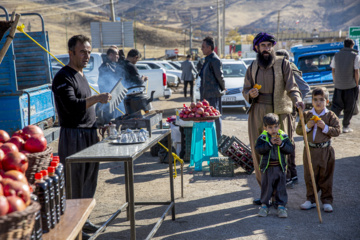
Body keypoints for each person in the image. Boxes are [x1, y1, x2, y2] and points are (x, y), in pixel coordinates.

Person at [52, 35, 111, 240]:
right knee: (75, 182)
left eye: (88, 51)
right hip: (73, 135)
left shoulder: (82, 75)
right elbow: (72, 106)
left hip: (89, 134)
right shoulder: (63, 77)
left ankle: (83, 221)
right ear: (71, 53)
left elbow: (87, 108)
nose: (87, 56)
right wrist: (97, 98)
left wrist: (99, 123)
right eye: (82, 51)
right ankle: (74, 229)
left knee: (89, 181)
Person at [242, 32, 304, 205]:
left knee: (279, 152)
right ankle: (265, 194)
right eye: (263, 46)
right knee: (259, 152)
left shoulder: (283, 64)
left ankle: (279, 196)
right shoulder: (252, 67)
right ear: (257, 48)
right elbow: (245, 90)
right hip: (257, 113)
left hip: (279, 114)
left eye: (269, 45)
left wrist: (297, 100)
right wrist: (249, 94)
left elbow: (293, 87)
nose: (267, 49)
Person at [296, 87, 340, 212]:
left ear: (327, 101)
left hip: (325, 151)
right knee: (310, 175)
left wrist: (325, 127)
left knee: (325, 175)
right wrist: (307, 126)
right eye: (315, 99)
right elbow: (299, 131)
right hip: (310, 150)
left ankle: (326, 200)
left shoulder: (330, 115)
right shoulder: (307, 115)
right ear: (312, 101)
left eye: (321, 100)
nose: (318, 102)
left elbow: (337, 130)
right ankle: (311, 199)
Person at [276, 49, 311, 188]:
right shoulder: (283, 68)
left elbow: (304, 88)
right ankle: (293, 174)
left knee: (286, 141)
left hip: (288, 111)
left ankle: (289, 176)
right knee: (286, 140)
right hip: (283, 110)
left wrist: (294, 101)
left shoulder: (289, 69)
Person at [255, 113, 294, 218]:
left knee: (281, 187)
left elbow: (290, 150)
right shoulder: (263, 137)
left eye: (276, 127)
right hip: (267, 168)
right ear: (265, 128)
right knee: (266, 187)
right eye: (270, 127)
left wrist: (281, 144)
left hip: (280, 167)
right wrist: (269, 144)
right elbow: (258, 150)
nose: (273, 130)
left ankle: (281, 206)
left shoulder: (283, 136)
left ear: (279, 126)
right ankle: (264, 206)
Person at [330, 38, 360, 133]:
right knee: (349, 107)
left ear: (344, 45)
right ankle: (345, 126)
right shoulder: (355, 56)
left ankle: (332, 125)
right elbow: (356, 71)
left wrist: (336, 81)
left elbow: (333, 70)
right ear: (352, 45)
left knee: (336, 107)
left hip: (338, 86)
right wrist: (356, 84)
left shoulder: (336, 55)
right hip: (350, 87)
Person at [199, 36, 226, 140]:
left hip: (213, 95)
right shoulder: (207, 60)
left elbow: (220, 77)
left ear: (209, 48)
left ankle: (218, 140)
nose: (201, 49)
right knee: (207, 118)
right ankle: (210, 139)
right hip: (206, 95)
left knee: (215, 117)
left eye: (203, 47)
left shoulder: (215, 60)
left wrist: (223, 88)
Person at [97, 46, 124, 124]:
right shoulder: (105, 66)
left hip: (113, 98)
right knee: (110, 123)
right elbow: (107, 82)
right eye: (117, 54)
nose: (118, 56)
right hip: (108, 100)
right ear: (111, 55)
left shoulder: (112, 64)